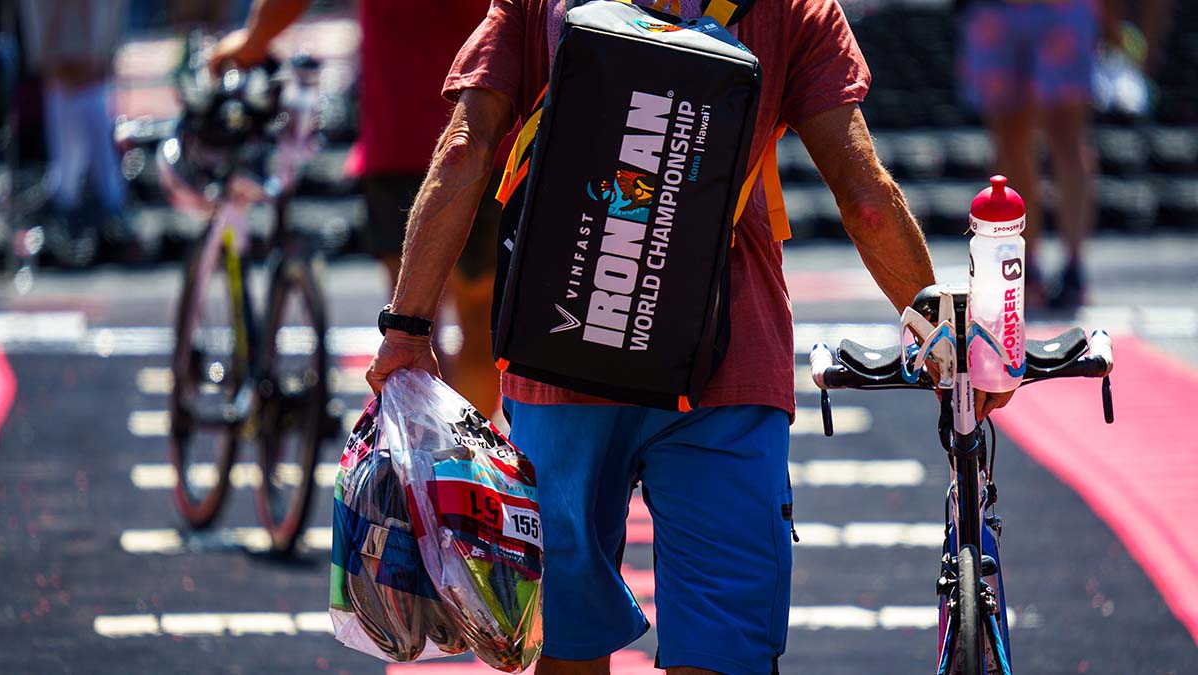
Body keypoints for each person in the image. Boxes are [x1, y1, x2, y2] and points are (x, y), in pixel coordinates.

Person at [365, 1, 1016, 674]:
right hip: (727, 364)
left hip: (561, 357)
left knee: (567, 643)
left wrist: (409, 327)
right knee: (720, 648)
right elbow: (867, 201)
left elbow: (465, 150)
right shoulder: (793, 10)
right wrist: (942, 334)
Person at [211, 0, 503, 414]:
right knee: (478, 318)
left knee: (411, 319)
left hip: (402, 134)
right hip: (484, 130)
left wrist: (252, 41)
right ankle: (457, 458)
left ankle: (433, 461)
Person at [957, 0, 1103, 309]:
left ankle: (1074, 266)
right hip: (998, 10)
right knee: (1010, 139)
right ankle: (1025, 268)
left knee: (1067, 135)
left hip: (1061, 8)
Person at [18, 0, 132, 267]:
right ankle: (66, 203)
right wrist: (45, 56)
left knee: (99, 145)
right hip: (59, 62)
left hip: (91, 62)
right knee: (65, 149)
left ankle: (110, 206)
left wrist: (105, 52)